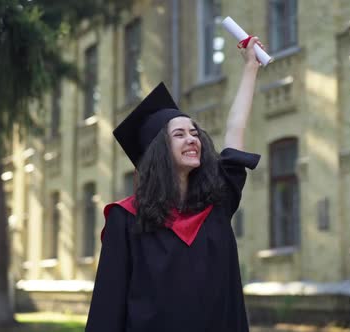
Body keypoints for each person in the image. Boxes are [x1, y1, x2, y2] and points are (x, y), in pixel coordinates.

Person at [85, 37, 263, 332]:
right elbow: (108, 304)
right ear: (159, 151)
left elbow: (234, 131)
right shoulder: (127, 219)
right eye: (179, 134)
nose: (192, 139)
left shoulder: (217, 203)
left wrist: (250, 69)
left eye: (194, 133)